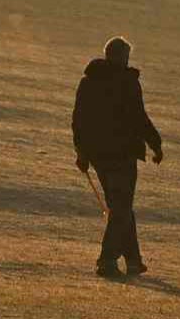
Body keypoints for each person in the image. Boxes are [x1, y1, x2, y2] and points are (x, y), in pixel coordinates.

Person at [70, 35, 165, 278]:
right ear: (122, 57)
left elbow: (78, 120)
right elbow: (138, 118)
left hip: (99, 156)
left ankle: (134, 260)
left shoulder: (88, 82)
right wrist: (156, 144)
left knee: (120, 207)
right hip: (122, 155)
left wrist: (81, 152)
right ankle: (107, 260)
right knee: (121, 208)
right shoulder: (127, 82)